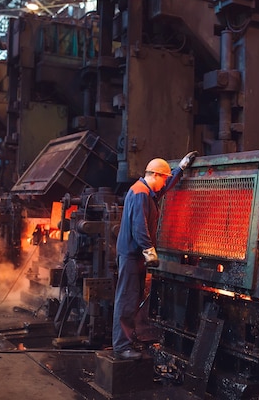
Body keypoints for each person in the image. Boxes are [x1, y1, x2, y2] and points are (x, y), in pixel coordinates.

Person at [112, 151, 197, 360]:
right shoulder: (140, 192)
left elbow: (166, 188)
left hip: (135, 256)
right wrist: (149, 251)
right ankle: (122, 346)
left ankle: (128, 340)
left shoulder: (147, 191)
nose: (165, 184)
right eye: (165, 178)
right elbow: (139, 226)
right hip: (132, 256)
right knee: (127, 299)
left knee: (134, 298)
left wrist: (181, 169)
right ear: (156, 175)